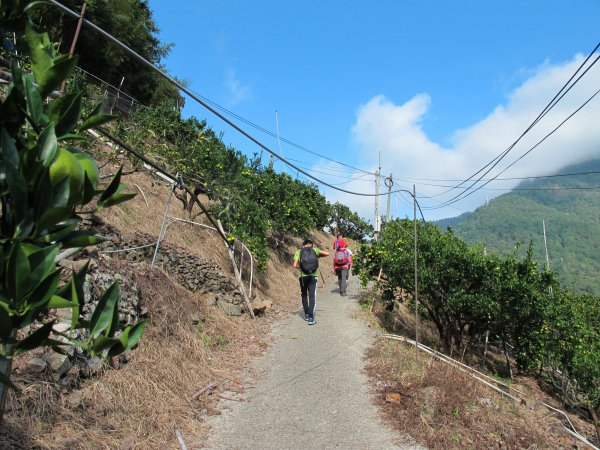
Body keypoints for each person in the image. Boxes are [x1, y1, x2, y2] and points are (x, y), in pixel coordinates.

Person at [293, 239, 329, 325]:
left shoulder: (299, 251)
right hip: (313, 276)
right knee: (312, 296)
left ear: (303, 245)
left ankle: (306, 314)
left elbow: (294, 265)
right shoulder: (315, 250)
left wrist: (302, 266)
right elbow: (327, 253)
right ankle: (311, 318)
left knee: (304, 295)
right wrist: (318, 256)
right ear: (311, 245)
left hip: (303, 277)